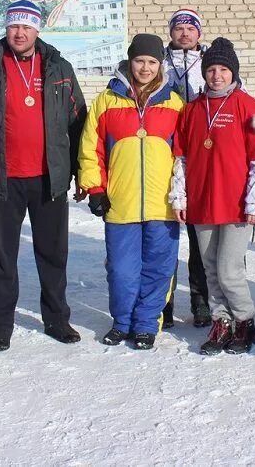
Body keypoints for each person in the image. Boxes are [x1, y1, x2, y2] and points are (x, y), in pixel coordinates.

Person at [0, 0, 87, 352]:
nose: (19, 32)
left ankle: (57, 319)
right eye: (14, 26)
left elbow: (79, 122)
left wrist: (81, 173)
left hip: (48, 179)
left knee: (54, 254)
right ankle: (0, 325)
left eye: (26, 26)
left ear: (37, 29)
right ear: (7, 28)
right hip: (2, 179)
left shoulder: (58, 67)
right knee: (0, 256)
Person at [79, 34, 184, 350]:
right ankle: (122, 322)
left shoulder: (174, 103)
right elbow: (90, 148)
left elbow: (184, 156)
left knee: (158, 269)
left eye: (153, 62)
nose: (146, 67)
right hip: (121, 203)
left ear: (160, 65)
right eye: (140, 60)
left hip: (163, 205)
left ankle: (146, 324)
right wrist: (95, 187)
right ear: (130, 61)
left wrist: (182, 194)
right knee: (122, 271)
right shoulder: (107, 100)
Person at [168, 38, 255, 355]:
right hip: (202, 202)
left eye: (223, 69)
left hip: (237, 204)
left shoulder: (247, 105)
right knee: (210, 269)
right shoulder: (192, 110)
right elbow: (181, 158)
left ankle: (244, 322)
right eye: (211, 69)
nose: (216, 75)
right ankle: (221, 321)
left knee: (229, 270)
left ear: (233, 72)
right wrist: (180, 197)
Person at [161, 8, 211, 328]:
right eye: (178, 28)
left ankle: (200, 301)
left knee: (199, 239)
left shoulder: (212, 63)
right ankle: (163, 303)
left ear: (198, 33)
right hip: (162, 156)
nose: (184, 33)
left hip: (199, 157)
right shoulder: (159, 62)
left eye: (189, 28)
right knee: (164, 238)